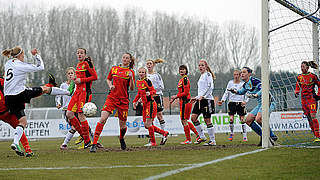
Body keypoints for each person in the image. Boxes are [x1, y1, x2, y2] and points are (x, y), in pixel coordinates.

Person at [2, 46, 71, 155]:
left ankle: (15, 142)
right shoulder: (21, 65)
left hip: (8, 98)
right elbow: (40, 67)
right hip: (19, 94)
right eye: (23, 55)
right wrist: (36, 55)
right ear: (21, 55)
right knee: (44, 89)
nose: (24, 57)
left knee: (23, 122)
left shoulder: (8, 63)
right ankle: (68, 92)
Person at [90, 52, 135, 152]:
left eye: (127, 58)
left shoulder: (130, 72)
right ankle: (94, 144)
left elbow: (132, 88)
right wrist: (110, 86)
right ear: (122, 58)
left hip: (123, 101)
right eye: (124, 57)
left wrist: (131, 77)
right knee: (102, 119)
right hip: (112, 98)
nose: (125, 59)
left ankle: (121, 138)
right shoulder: (114, 68)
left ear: (130, 60)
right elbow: (108, 79)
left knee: (123, 126)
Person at [229, 67, 278, 146]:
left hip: (268, 102)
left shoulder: (255, 81)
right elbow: (241, 92)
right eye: (241, 72)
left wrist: (256, 95)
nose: (242, 74)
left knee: (258, 119)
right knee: (248, 120)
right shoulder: (246, 85)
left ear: (249, 74)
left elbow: (263, 89)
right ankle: (263, 137)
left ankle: (272, 135)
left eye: (244, 72)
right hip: (260, 104)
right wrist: (234, 91)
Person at [66, 48, 98, 149]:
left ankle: (87, 141)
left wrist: (81, 80)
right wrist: (74, 79)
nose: (79, 54)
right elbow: (78, 79)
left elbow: (95, 76)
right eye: (78, 53)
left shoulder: (87, 63)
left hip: (84, 92)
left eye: (81, 53)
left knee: (81, 115)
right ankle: (84, 137)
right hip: (77, 91)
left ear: (85, 54)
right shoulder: (78, 65)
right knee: (69, 114)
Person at [133, 67, 169, 146]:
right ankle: (164, 133)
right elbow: (139, 93)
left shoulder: (147, 81)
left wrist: (150, 93)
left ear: (145, 73)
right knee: (146, 125)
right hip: (144, 105)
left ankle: (153, 142)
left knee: (148, 124)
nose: (141, 73)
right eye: (140, 72)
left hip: (151, 104)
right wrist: (135, 101)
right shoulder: (138, 82)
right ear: (138, 73)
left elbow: (154, 91)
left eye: (143, 72)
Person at [0, 76, 33, 157]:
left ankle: (26, 149)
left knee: (19, 127)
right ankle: (28, 150)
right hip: (7, 112)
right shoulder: (3, 81)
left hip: (5, 112)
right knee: (20, 126)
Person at [170, 65, 199, 144]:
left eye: (183, 69)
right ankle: (198, 135)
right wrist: (175, 98)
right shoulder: (181, 79)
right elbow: (181, 92)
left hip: (185, 102)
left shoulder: (185, 79)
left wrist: (176, 96)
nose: (181, 71)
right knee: (184, 120)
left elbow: (186, 93)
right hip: (183, 102)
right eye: (180, 69)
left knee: (184, 121)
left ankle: (189, 139)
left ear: (186, 71)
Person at [190, 60, 217, 146]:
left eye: (202, 65)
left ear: (206, 66)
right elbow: (201, 90)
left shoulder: (208, 75)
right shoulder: (201, 76)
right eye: (199, 65)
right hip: (200, 100)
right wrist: (197, 97)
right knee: (193, 118)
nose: (200, 67)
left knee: (207, 120)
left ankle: (212, 140)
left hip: (207, 100)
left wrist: (203, 96)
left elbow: (210, 87)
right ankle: (202, 136)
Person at [217, 70, 249, 142]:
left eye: (237, 74)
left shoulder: (243, 83)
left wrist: (245, 101)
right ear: (233, 75)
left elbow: (247, 93)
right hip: (231, 103)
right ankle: (231, 133)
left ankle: (244, 135)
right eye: (235, 74)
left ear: (240, 75)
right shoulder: (230, 83)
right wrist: (222, 100)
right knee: (231, 119)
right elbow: (226, 92)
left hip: (240, 103)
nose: (236, 76)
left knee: (242, 120)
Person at [295, 61, 320, 142]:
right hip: (303, 100)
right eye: (301, 66)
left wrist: (318, 95)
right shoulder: (299, 77)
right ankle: (315, 134)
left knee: (313, 116)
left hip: (311, 99)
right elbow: (298, 86)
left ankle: (318, 136)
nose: (302, 68)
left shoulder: (313, 76)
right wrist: (296, 91)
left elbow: (319, 85)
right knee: (309, 118)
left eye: (303, 66)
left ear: (307, 67)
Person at [146, 58, 167, 145]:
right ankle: (152, 138)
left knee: (159, 115)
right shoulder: (145, 75)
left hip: (157, 96)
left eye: (150, 63)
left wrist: (153, 90)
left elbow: (162, 87)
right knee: (150, 117)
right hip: (149, 98)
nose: (149, 65)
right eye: (147, 64)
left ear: (153, 65)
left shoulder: (157, 75)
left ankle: (164, 135)